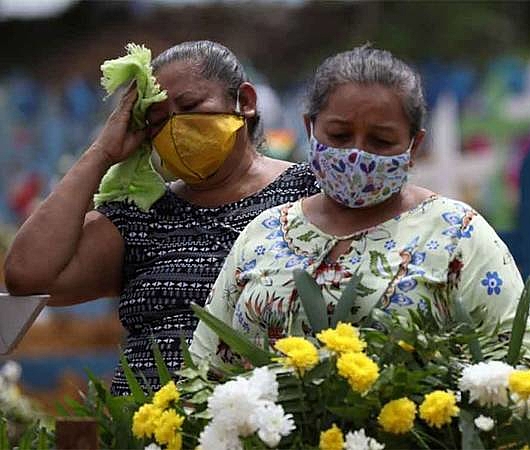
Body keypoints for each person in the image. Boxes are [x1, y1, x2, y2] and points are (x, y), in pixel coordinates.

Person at [190, 46, 530, 365]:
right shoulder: (265, 234)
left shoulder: (456, 233)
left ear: (414, 144)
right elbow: (207, 367)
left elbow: (514, 364)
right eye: (340, 136)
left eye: (381, 140)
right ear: (309, 128)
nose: (357, 154)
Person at [3, 41, 319, 395]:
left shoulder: (309, 193)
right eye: (157, 121)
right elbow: (26, 274)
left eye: (189, 107)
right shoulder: (142, 218)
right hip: (147, 429)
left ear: (244, 102)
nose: (175, 128)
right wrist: (102, 152)